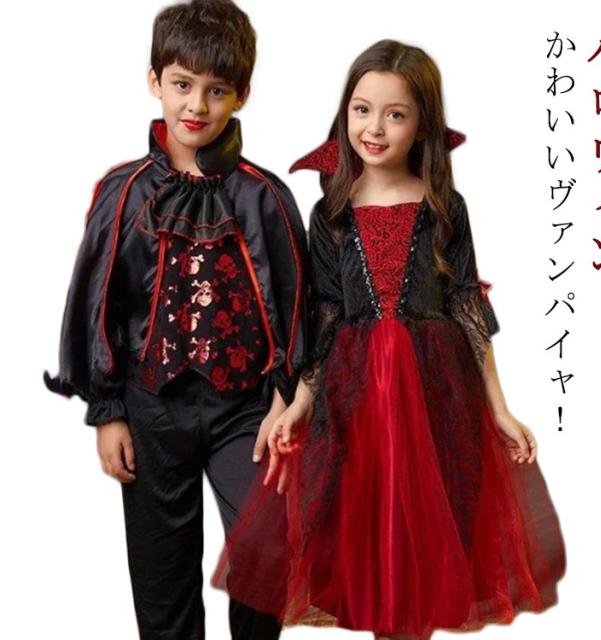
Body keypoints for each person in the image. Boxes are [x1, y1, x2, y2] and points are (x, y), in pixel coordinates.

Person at [211, 39, 566, 640]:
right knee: (370, 552)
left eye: (395, 114)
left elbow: (466, 305)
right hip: (354, 406)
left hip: (434, 400)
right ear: (345, 112)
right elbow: (325, 317)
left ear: (422, 125)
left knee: (425, 549)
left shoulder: (444, 206)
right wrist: (299, 403)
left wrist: (500, 409)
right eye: (362, 110)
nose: (374, 128)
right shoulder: (330, 212)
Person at [43, 1, 308, 638]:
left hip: (247, 409)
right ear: (154, 80)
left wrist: (286, 396)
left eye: (216, 90)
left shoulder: (264, 194)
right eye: (183, 84)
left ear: (241, 95)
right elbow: (97, 303)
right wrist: (107, 411)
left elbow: (299, 302)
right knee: (162, 582)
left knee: (268, 552)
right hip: (151, 406)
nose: (196, 105)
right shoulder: (124, 190)